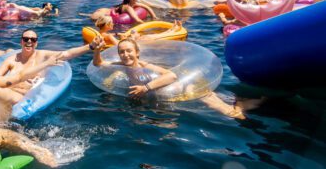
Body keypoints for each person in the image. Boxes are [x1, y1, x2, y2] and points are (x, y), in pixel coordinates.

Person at [92, 39, 245, 119]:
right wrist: (98, 50)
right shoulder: (122, 65)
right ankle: (245, 103)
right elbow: (99, 63)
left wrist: (145, 88)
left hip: (186, 87)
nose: (125, 55)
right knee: (228, 104)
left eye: (129, 51)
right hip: (165, 94)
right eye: (122, 52)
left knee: (229, 113)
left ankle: (241, 114)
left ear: (137, 52)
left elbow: (172, 75)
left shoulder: (146, 65)